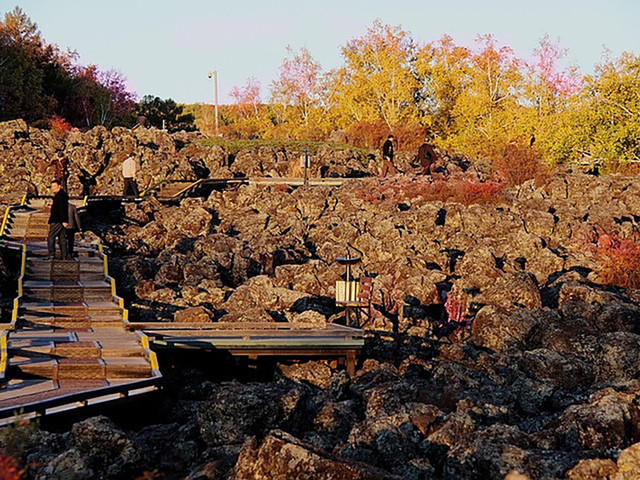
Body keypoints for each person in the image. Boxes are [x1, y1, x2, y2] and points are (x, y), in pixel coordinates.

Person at [46, 179, 69, 260]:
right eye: (52, 186)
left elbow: (62, 208)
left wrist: (64, 220)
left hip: (57, 219)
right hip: (60, 219)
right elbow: (59, 207)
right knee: (62, 237)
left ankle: (51, 254)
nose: (53, 188)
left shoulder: (60, 196)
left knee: (51, 237)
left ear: (59, 186)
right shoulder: (60, 195)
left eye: (54, 186)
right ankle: (64, 255)